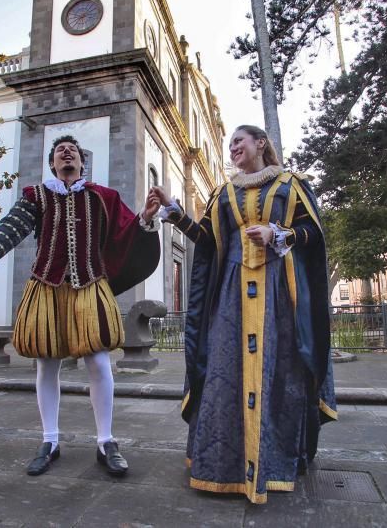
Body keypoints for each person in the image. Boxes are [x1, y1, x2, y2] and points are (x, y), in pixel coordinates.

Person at [151, 125, 337, 504]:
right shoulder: (223, 192)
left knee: (279, 372)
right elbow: (206, 239)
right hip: (231, 296)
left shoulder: (290, 184)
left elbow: (313, 233)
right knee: (223, 371)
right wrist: (174, 211)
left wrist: (278, 234)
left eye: (239, 140)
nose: (233, 147)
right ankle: (222, 464)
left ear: (260, 144)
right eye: (229, 144)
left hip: (278, 295)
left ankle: (275, 461)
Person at [0, 135, 161, 477]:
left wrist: (145, 217)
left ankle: (106, 441)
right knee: (47, 366)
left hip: (90, 285)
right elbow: (11, 227)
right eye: (60, 150)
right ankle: (50, 440)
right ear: (53, 164)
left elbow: (125, 232)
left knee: (100, 364)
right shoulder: (36, 196)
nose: (67, 152)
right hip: (46, 286)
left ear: (82, 162)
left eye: (72, 149)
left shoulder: (104, 196)